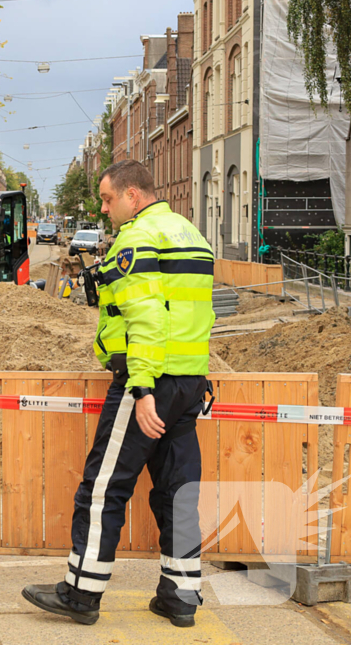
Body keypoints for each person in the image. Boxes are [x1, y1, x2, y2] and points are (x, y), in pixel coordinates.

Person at [22, 159, 215, 628]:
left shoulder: (137, 237)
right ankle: (181, 595)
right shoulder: (190, 233)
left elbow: (147, 319)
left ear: (133, 194)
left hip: (146, 380)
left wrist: (142, 387)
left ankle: (81, 593)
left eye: (108, 199)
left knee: (103, 488)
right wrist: (195, 377)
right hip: (189, 381)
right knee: (178, 491)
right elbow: (192, 315)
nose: (105, 209)